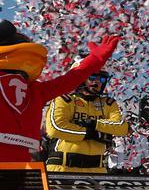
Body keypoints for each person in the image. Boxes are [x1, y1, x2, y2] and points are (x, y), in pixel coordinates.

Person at [0, 20, 119, 163]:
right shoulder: (35, 90)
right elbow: (71, 79)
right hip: (22, 161)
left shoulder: (34, 90)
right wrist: (96, 58)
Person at [44, 70, 131, 174]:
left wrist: (93, 123)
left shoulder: (109, 104)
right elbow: (55, 129)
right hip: (62, 167)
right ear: (80, 78)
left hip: (97, 169)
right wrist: (91, 134)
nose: (97, 82)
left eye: (102, 79)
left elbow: (122, 127)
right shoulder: (64, 100)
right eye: (92, 77)